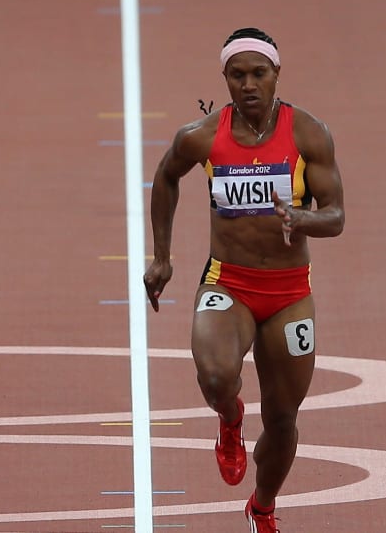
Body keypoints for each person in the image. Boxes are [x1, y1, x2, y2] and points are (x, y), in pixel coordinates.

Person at [143, 27, 344, 532]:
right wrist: (162, 257)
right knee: (214, 378)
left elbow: (336, 215)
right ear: (225, 79)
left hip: (289, 295)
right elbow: (166, 176)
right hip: (227, 283)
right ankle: (230, 420)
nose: (249, 84)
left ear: (277, 74)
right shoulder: (202, 135)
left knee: (282, 420)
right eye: (238, 75)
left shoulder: (309, 134)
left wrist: (302, 220)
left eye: (259, 73)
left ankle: (262, 507)